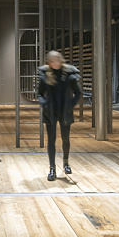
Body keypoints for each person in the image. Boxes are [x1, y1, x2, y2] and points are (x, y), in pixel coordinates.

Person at [36, 50, 82, 181]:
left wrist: (71, 104)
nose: (54, 62)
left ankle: (66, 163)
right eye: (51, 60)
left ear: (61, 59)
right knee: (51, 140)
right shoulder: (45, 74)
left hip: (65, 111)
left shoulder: (69, 74)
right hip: (50, 111)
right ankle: (52, 169)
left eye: (56, 59)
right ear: (49, 62)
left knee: (65, 139)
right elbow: (39, 93)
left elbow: (78, 92)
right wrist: (43, 103)